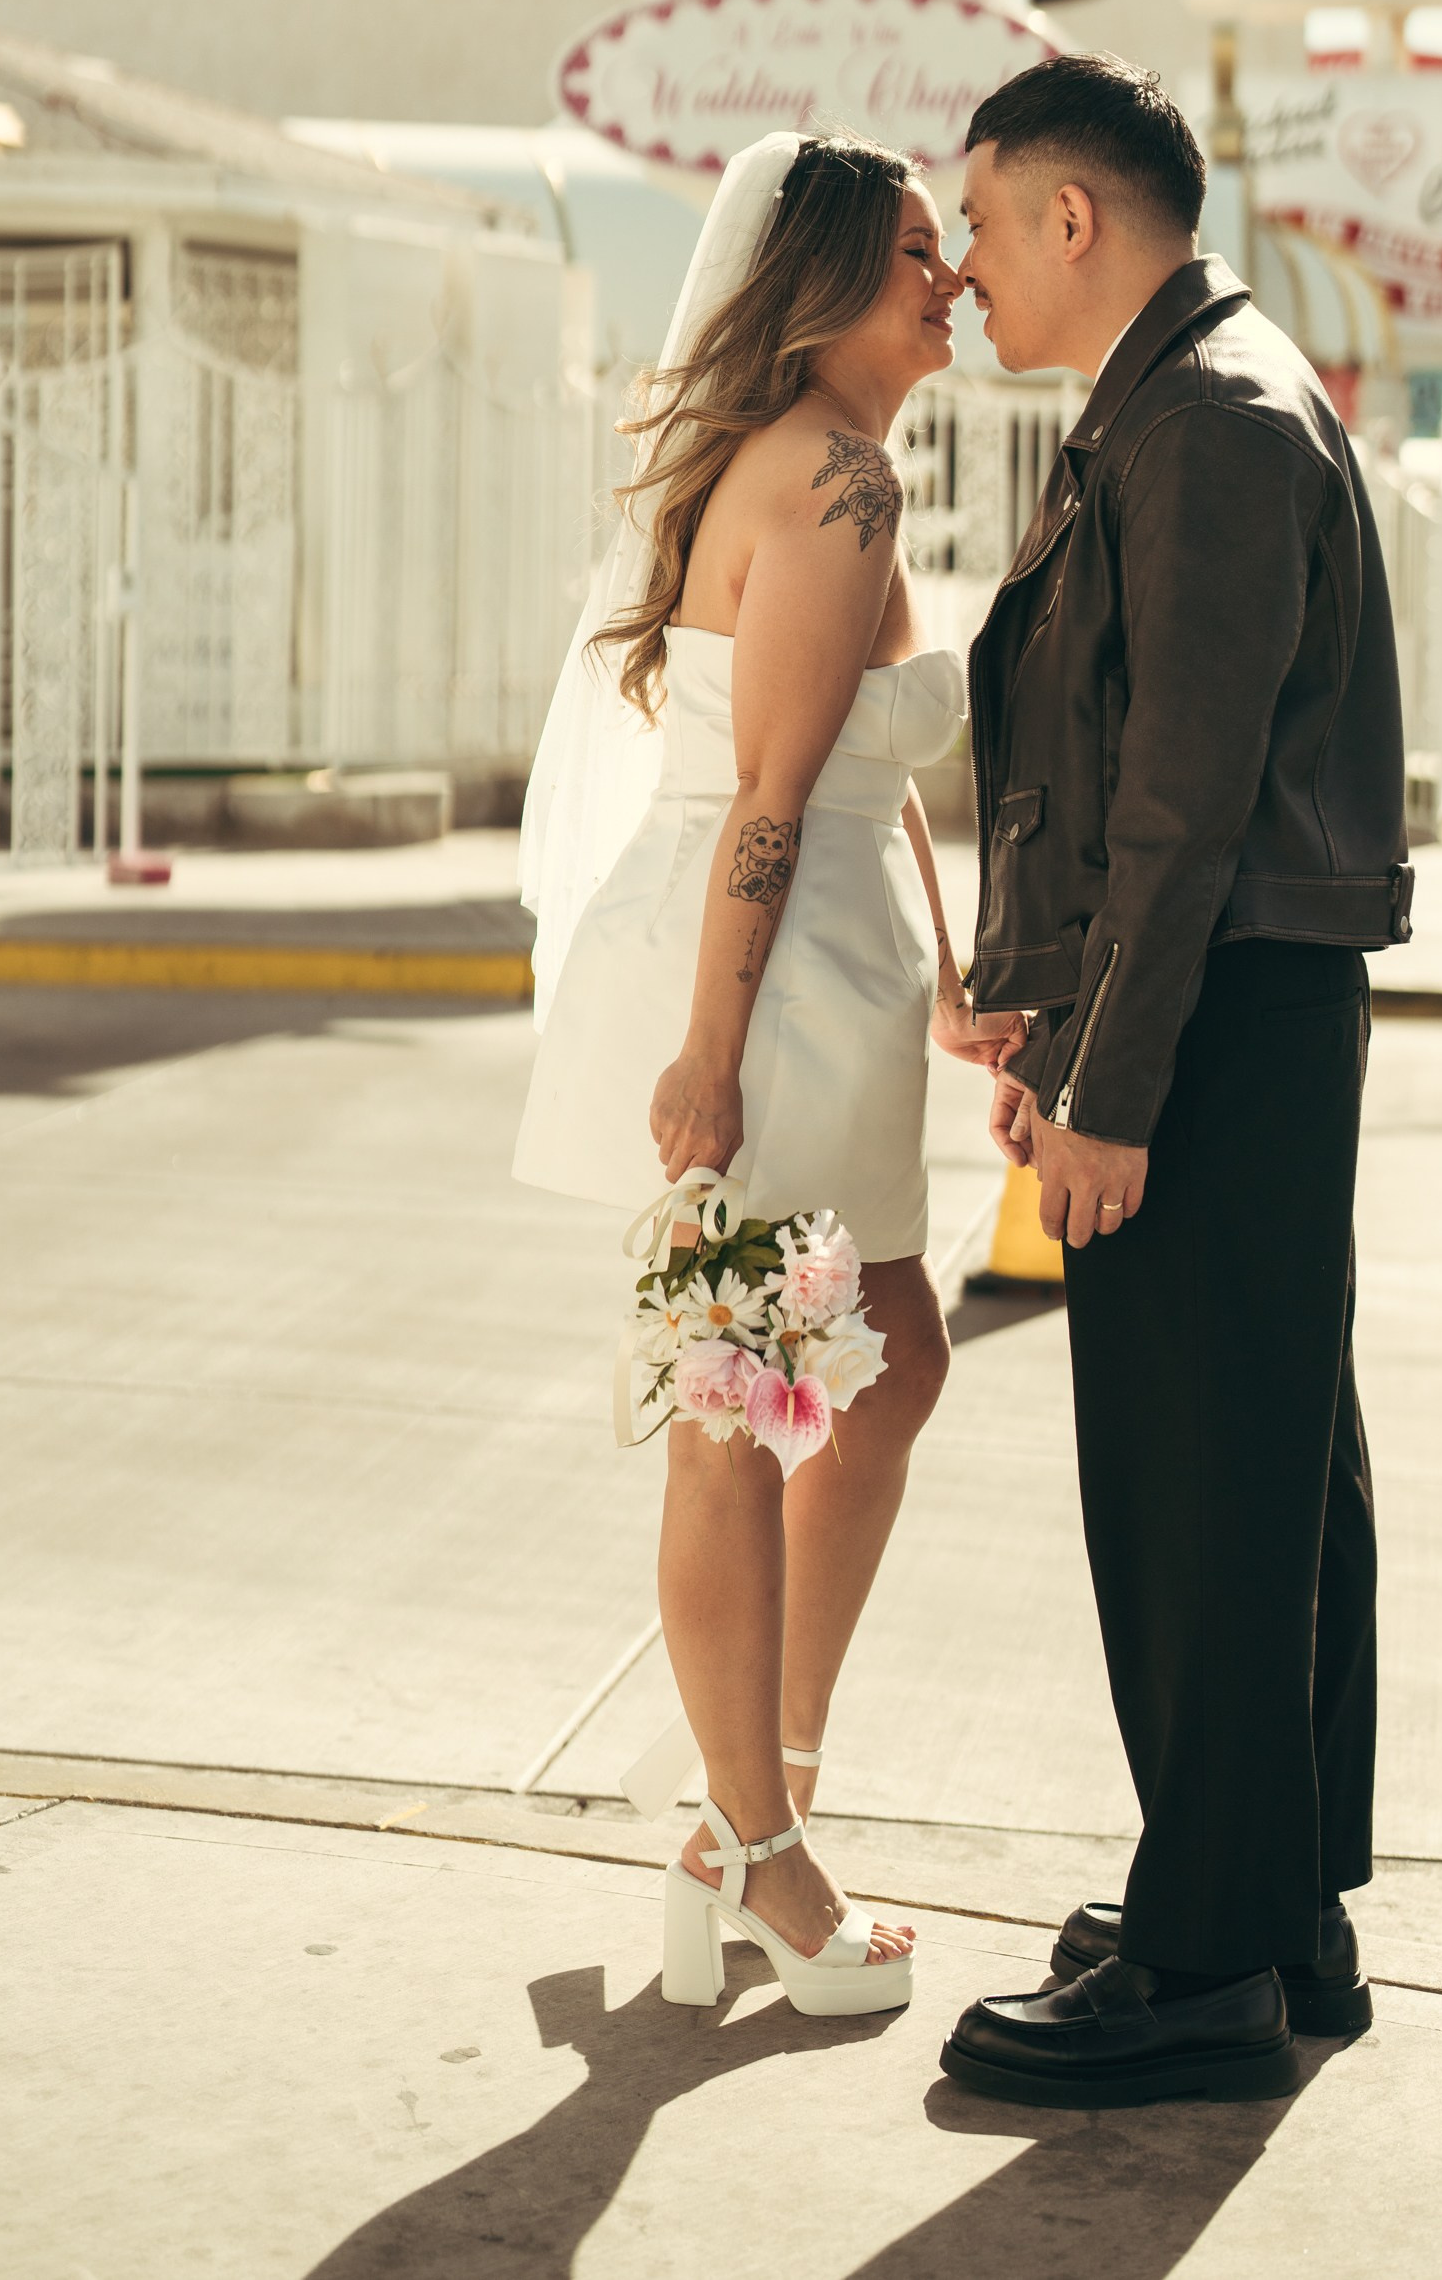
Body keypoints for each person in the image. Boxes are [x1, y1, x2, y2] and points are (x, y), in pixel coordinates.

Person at [936, 56, 1413, 2111]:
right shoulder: (1182, 399)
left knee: (1199, 1480)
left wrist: (1109, 1087)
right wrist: (1054, 1025)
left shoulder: (1204, 419)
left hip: (1214, 1022)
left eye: (978, 222)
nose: (961, 267)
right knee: (1266, 1460)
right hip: (1218, 1009)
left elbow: (1180, 803)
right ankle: (1271, 1910)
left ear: (1073, 217)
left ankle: (1206, 1961)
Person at [512, 131, 1020, 2019]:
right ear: (820, 289)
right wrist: (711, 1057)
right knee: (737, 1409)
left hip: (831, 973)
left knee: (892, 1360)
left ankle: (757, 1787)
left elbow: (862, 766)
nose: (948, 281)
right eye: (914, 255)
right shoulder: (832, 478)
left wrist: (951, 979)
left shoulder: (836, 466)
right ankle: (759, 1848)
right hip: (765, 982)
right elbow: (774, 800)